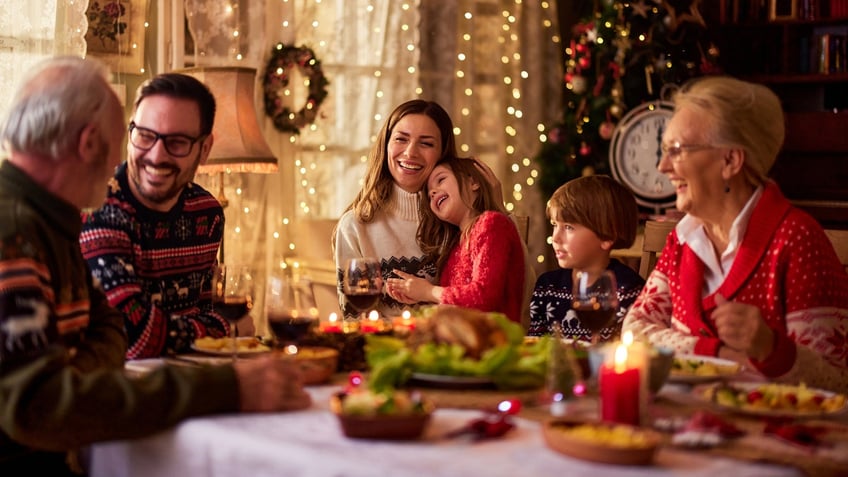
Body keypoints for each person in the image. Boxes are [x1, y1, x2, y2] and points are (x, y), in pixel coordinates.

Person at [0, 56, 310, 475]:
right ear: (91, 144)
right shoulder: (15, 233)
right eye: (131, 137)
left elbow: (107, 326)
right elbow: (39, 406)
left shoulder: (50, 220)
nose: (126, 162)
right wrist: (225, 387)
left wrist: (73, 375)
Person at [621, 76, 848, 393]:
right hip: (688, 422)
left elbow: (836, 381)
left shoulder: (796, 240)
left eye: (676, 150)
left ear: (730, 160)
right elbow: (635, 330)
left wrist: (771, 349)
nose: (662, 166)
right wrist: (715, 354)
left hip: (769, 435)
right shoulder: (684, 240)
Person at [79, 71, 252, 360]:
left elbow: (206, 310)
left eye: (177, 142)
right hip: (121, 387)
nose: (156, 156)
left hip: (194, 379)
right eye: (145, 136)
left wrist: (213, 327)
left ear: (205, 149)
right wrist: (229, 328)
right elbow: (133, 337)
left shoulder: (207, 213)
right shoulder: (100, 208)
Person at [333, 99, 512, 319]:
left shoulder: (458, 217)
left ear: (442, 154)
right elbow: (354, 317)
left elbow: (515, 289)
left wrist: (496, 207)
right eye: (401, 139)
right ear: (386, 144)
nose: (410, 153)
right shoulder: (355, 225)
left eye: (426, 143)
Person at [385, 156, 526, 323]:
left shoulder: (492, 223)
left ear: (473, 182)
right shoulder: (455, 246)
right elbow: (456, 303)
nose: (433, 192)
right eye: (429, 195)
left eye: (441, 180)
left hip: (494, 341)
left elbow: (484, 297)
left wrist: (428, 292)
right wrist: (418, 296)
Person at [527, 175, 645, 341]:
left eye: (568, 227)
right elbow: (535, 344)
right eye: (555, 225)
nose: (555, 238)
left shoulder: (628, 291)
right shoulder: (547, 286)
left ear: (607, 236)